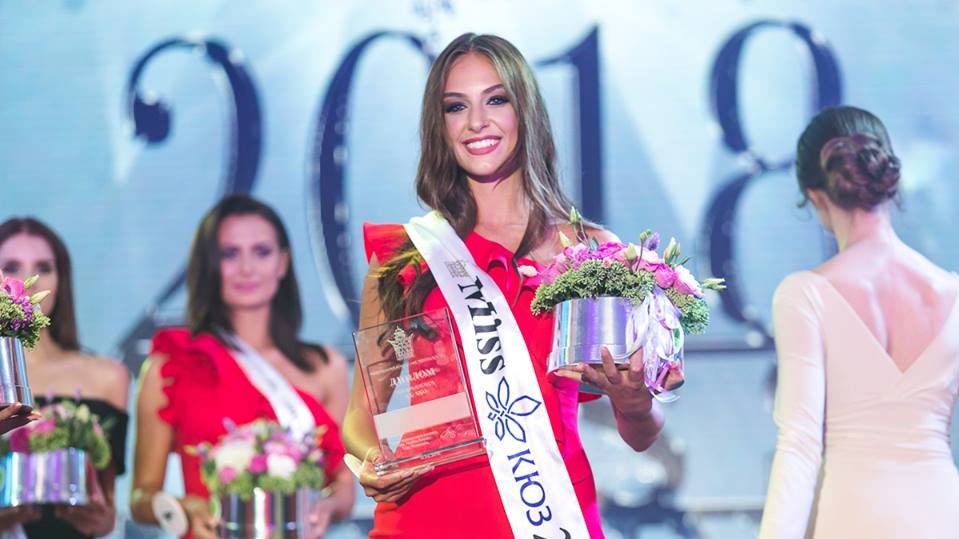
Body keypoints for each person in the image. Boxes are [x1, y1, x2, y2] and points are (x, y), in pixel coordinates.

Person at [343, 33, 664, 539]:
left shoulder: (589, 253)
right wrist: (373, 460)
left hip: (548, 514)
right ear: (439, 125)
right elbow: (362, 415)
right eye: (456, 106)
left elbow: (642, 434)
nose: (476, 122)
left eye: (496, 100)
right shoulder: (407, 257)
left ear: (525, 110)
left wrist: (634, 401)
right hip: (427, 517)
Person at [758, 106, 959, 538]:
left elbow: (799, 444)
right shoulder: (953, 294)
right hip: (943, 513)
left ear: (815, 196)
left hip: (851, 514)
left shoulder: (805, 294)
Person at [129, 194, 354, 539]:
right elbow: (141, 497)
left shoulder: (326, 367)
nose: (246, 268)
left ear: (282, 262)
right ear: (209, 264)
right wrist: (182, 507)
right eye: (229, 254)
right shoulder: (171, 365)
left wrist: (326, 508)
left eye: (261, 252)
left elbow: (343, 483)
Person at [0, 217, 129, 538]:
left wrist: (100, 521)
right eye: (11, 267)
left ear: (61, 280)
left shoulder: (108, 377)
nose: (28, 281)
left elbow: (107, 510)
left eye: (43, 268)